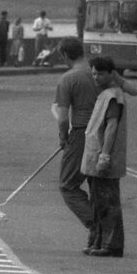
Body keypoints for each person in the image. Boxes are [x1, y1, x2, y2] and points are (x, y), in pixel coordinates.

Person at [82, 56, 137, 257]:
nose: (96, 77)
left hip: (103, 158)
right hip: (94, 158)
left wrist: (104, 156)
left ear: (110, 74)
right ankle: (98, 242)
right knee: (97, 203)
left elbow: (111, 127)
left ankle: (111, 245)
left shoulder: (114, 96)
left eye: (100, 73)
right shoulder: (105, 94)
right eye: (94, 73)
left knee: (108, 202)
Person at [50, 37, 99, 250]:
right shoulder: (98, 73)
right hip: (103, 132)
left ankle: (97, 226)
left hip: (81, 133)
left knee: (68, 186)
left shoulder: (68, 79)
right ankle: (98, 237)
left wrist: (63, 137)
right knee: (96, 184)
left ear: (65, 55)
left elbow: (62, 118)